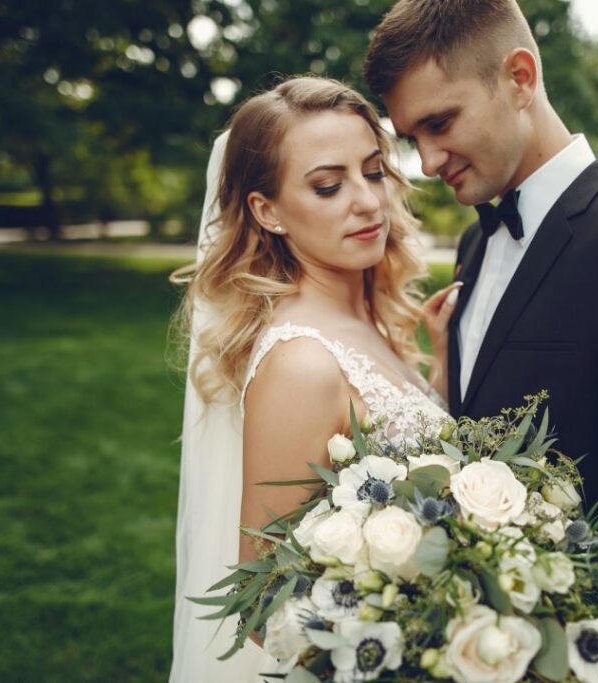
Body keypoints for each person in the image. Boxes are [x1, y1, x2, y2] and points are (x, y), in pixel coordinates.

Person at [364, 0, 598, 679]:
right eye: (412, 136)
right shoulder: (478, 238)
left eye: (439, 123)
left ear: (519, 76)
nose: (424, 161)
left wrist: (505, 598)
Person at [167, 76, 458, 682]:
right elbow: (263, 598)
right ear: (267, 211)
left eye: (374, 172)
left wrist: (439, 372)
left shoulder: (363, 318)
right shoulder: (301, 363)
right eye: (328, 185)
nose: (368, 202)